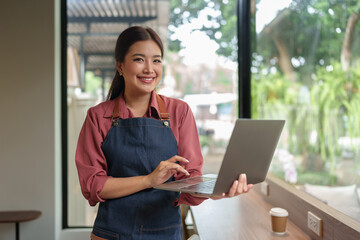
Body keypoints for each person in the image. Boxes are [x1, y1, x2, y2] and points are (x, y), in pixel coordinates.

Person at [75, 26, 253, 240]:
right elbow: (93, 186)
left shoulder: (180, 112)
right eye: (139, 59)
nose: (149, 69)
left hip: (166, 234)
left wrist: (216, 190)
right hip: (111, 234)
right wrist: (149, 180)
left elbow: (189, 181)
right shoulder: (97, 117)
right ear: (120, 66)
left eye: (157, 60)